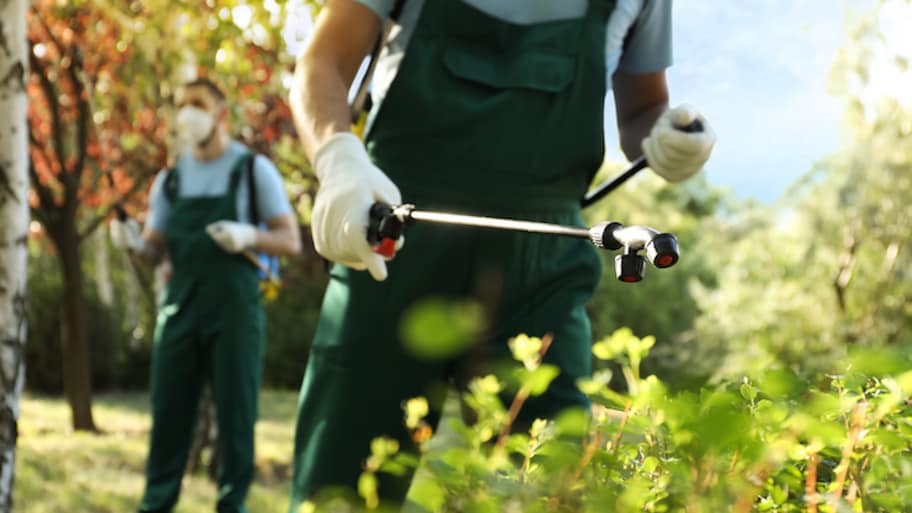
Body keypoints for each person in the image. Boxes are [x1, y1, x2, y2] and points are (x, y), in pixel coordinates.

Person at [287, 0, 716, 507]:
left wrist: (665, 137)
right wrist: (337, 158)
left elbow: (641, 109)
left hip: (544, 264)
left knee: (549, 484)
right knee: (341, 488)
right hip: (392, 236)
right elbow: (324, 62)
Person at [110, 77, 301, 513]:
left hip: (234, 310)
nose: (187, 113)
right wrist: (132, 241)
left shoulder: (252, 170)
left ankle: (232, 504)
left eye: (197, 103)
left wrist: (248, 234)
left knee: (237, 415)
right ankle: (156, 503)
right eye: (181, 104)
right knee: (169, 414)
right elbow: (155, 250)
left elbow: (290, 240)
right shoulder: (171, 180)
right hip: (179, 309)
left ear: (221, 113)